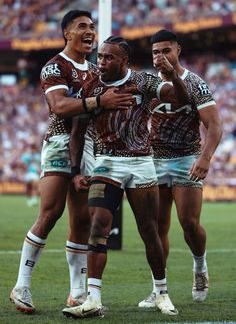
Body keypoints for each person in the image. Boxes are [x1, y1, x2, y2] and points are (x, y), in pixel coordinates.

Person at [10, 11, 133, 314]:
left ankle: (77, 292)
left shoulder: (95, 68)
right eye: (82, 27)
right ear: (67, 33)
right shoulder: (55, 66)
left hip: (88, 146)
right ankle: (22, 285)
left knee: (81, 221)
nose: (90, 31)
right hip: (60, 142)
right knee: (51, 212)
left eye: (92, 27)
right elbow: (60, 105)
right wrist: (99, 102)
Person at [62, 35, 190, 319]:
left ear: (124, 61)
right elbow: (77, 134)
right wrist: (75, 171)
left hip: (141, 162)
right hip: (106, 163)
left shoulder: (143, 82)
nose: (102, 62)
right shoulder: (90, 86)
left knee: (149, 231)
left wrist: (172, 75)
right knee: (97, 226)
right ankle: (93, 299)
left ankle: (161, 292)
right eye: (100, 56)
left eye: (109, 57)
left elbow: (180, 99)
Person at [138, 29, 222, 308]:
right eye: (155, 52)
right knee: (157, 227)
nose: (160, 56)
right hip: (154, 160)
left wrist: (205, 158)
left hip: (187, 159)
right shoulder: (148, 83)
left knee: (189, 224)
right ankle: (158, 289)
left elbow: (214, 124)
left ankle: (200, 267)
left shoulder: (195, 84)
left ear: (178, 50)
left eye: (165, 51)